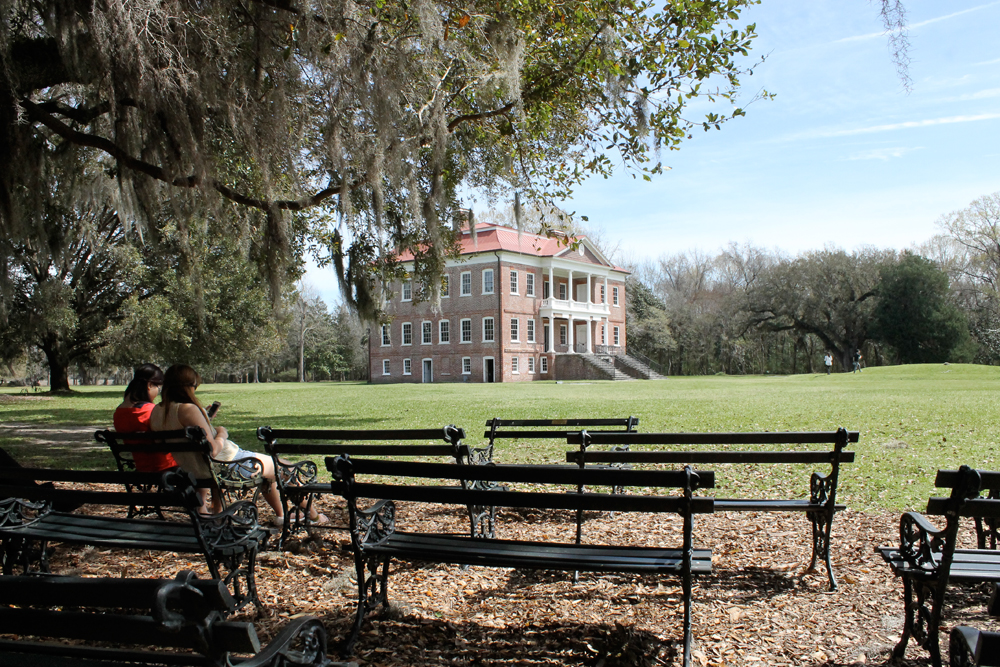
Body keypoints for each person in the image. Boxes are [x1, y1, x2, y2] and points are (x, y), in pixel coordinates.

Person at [149, 364, 294, 522]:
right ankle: (309, 515)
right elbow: (212, 450)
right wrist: (222, 434)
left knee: (270, 471)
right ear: (188, 386)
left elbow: (164, 445)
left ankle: (282, 515)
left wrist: (205, 421)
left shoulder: (157, 412)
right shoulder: (188, 409)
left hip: (194, 469)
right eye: (194, 386)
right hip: (228, 464)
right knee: (285, 466)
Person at [113, 364, 177, 472]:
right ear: (150, 385)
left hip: (142, 467)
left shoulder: (118, 413)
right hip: (167, 466)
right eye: (158, 387)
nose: (157, 392)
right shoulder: (151, 411)